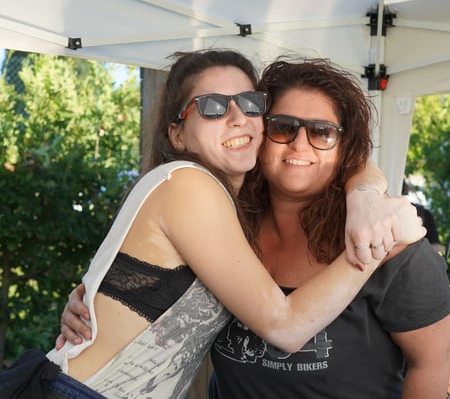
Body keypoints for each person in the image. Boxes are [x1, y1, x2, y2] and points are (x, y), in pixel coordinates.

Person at [21, 50, 424, 399]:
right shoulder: (188, 184)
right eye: (213, 106)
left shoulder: (231, 206)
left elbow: (348, 158)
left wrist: (365, 196)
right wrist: (378, 242)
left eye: (250, 103)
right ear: (177, 134)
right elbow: (285, 327)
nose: (237, 118)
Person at [206, 58, 450, 398]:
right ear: (260, 134)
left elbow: (431, 364)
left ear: (344, 149)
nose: (300, 144)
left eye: (322, 132)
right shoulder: (227, 223)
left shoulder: (389, 238)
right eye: (283, 127)